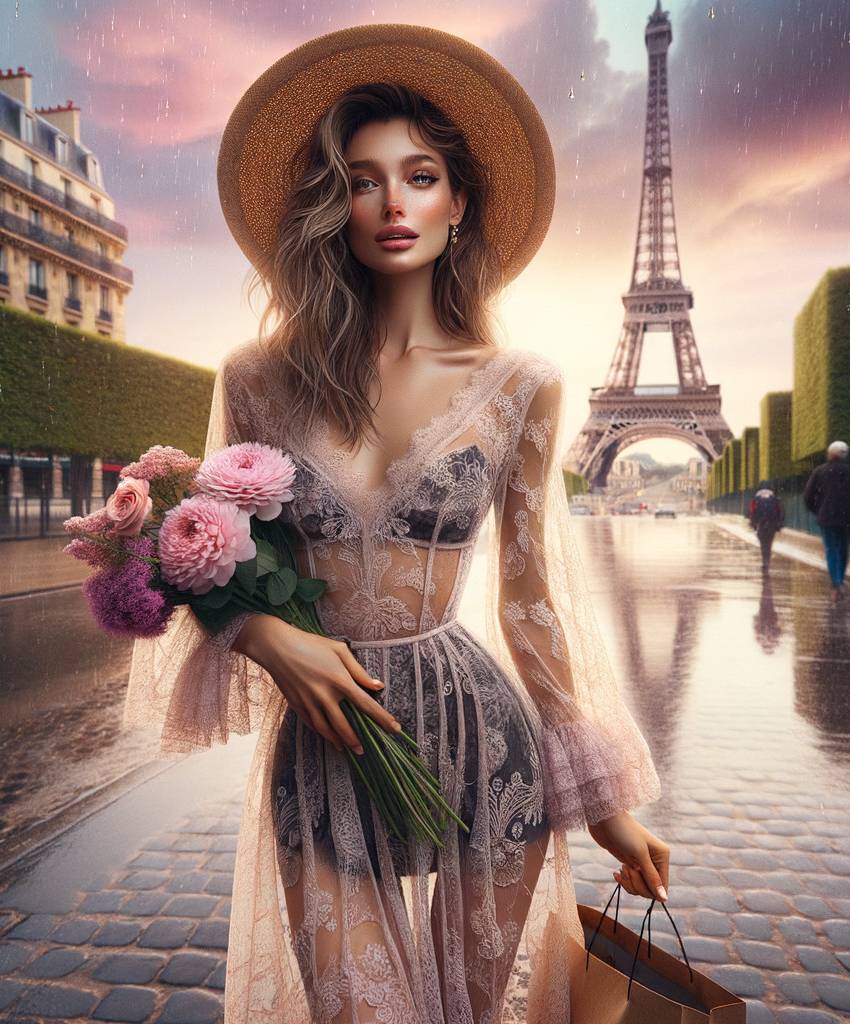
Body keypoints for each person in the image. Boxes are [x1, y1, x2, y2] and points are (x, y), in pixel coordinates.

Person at [128, 26, 668, 1023]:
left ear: (458, 202)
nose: (392, 204)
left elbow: (532, 598)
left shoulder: (524, 384)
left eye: (420, 177)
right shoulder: (255, 379)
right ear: (332, 206)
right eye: (361, 181)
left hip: (484, 747)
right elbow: (206, 559)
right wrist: (270, 638)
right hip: (327, 749)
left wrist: (605, 805)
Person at [804, 440, 850, 602]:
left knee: (831, 549)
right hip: (847, 518)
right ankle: (840, 580)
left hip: (827, 517)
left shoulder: (819, 471)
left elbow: (808, 497)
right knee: (843, 550)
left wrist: (818, 512)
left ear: (830, 454)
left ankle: (836, 583)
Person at [749, 480, 784, 571]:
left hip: (761, 523)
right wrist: (779, 523)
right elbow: (780, 512)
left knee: (763, 543)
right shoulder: (774, 498)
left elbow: (753, 512)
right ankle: (767, 560)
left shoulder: (756, 498)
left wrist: (753, 523)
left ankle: (764, 561)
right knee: (768, 543)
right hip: (771, 523)